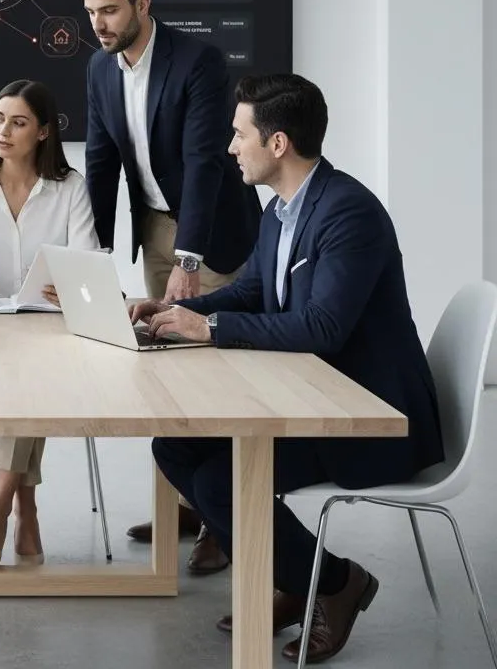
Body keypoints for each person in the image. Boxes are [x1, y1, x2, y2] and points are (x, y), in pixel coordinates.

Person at [131, 74, 444, 664]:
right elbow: (253, 290)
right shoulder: (280, 209)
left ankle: (337, 583)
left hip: (370, 416)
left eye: (239, 134)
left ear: (277, 144)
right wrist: (178, 313)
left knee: (219, 482)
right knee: (174, 446)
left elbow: (323, 327)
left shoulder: (348, 213)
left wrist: (211, 329)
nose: (230, 147)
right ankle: (296, 579)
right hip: (315, 396)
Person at [74, 0, 262, 571]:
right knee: (171, 369)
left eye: (109, 10)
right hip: (154, 227)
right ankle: (189, 499)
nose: (98, 24)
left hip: (208, 235)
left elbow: (206, 162)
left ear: (142, 4)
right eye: (91, 12)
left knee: (218, 375)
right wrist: (94, 254)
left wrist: (189, 258)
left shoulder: (197, 60)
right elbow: (101, 160)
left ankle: (223, 518)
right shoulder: (100, 68)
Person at [0, 79, 100, 565]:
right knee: (23, 381)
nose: (3, 132)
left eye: (17, 123)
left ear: (43, 132)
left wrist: (71, 287)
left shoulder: (69, 188)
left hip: (49, 327)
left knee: (30, 377)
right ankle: (24, 506)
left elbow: (87, 261)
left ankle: (0, 503)